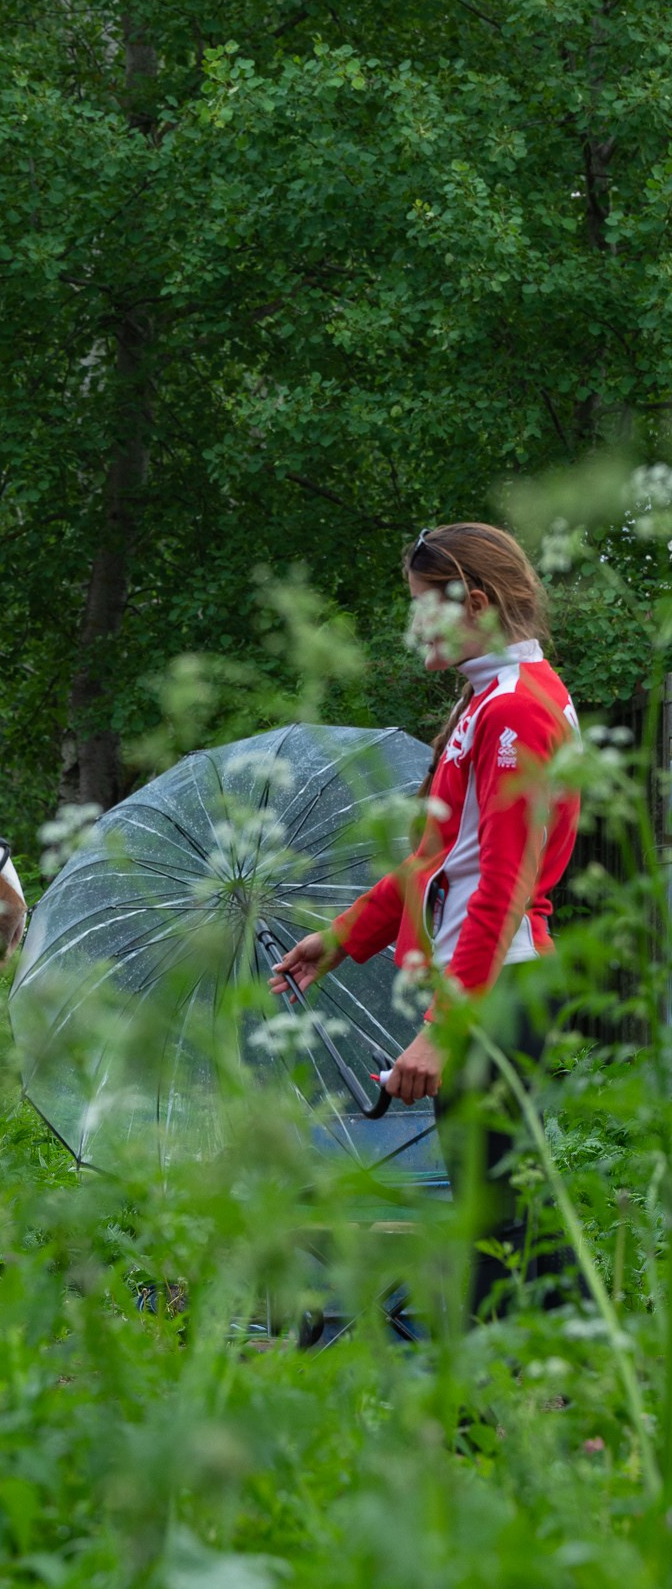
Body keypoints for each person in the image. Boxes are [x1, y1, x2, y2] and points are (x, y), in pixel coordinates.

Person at [270, 522, 581, 1319]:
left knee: (495, 1223)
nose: (414, 628)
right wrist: (338, 940)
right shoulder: (491, 701)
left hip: (498, 990)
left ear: (472, 601)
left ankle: (484, 1431)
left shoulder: (514, 711)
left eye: (422, 606)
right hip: (493, 986)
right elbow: (439, 860)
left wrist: (444, 1026)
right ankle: (580, 1413)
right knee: (511, 1218)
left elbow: (504, 886)